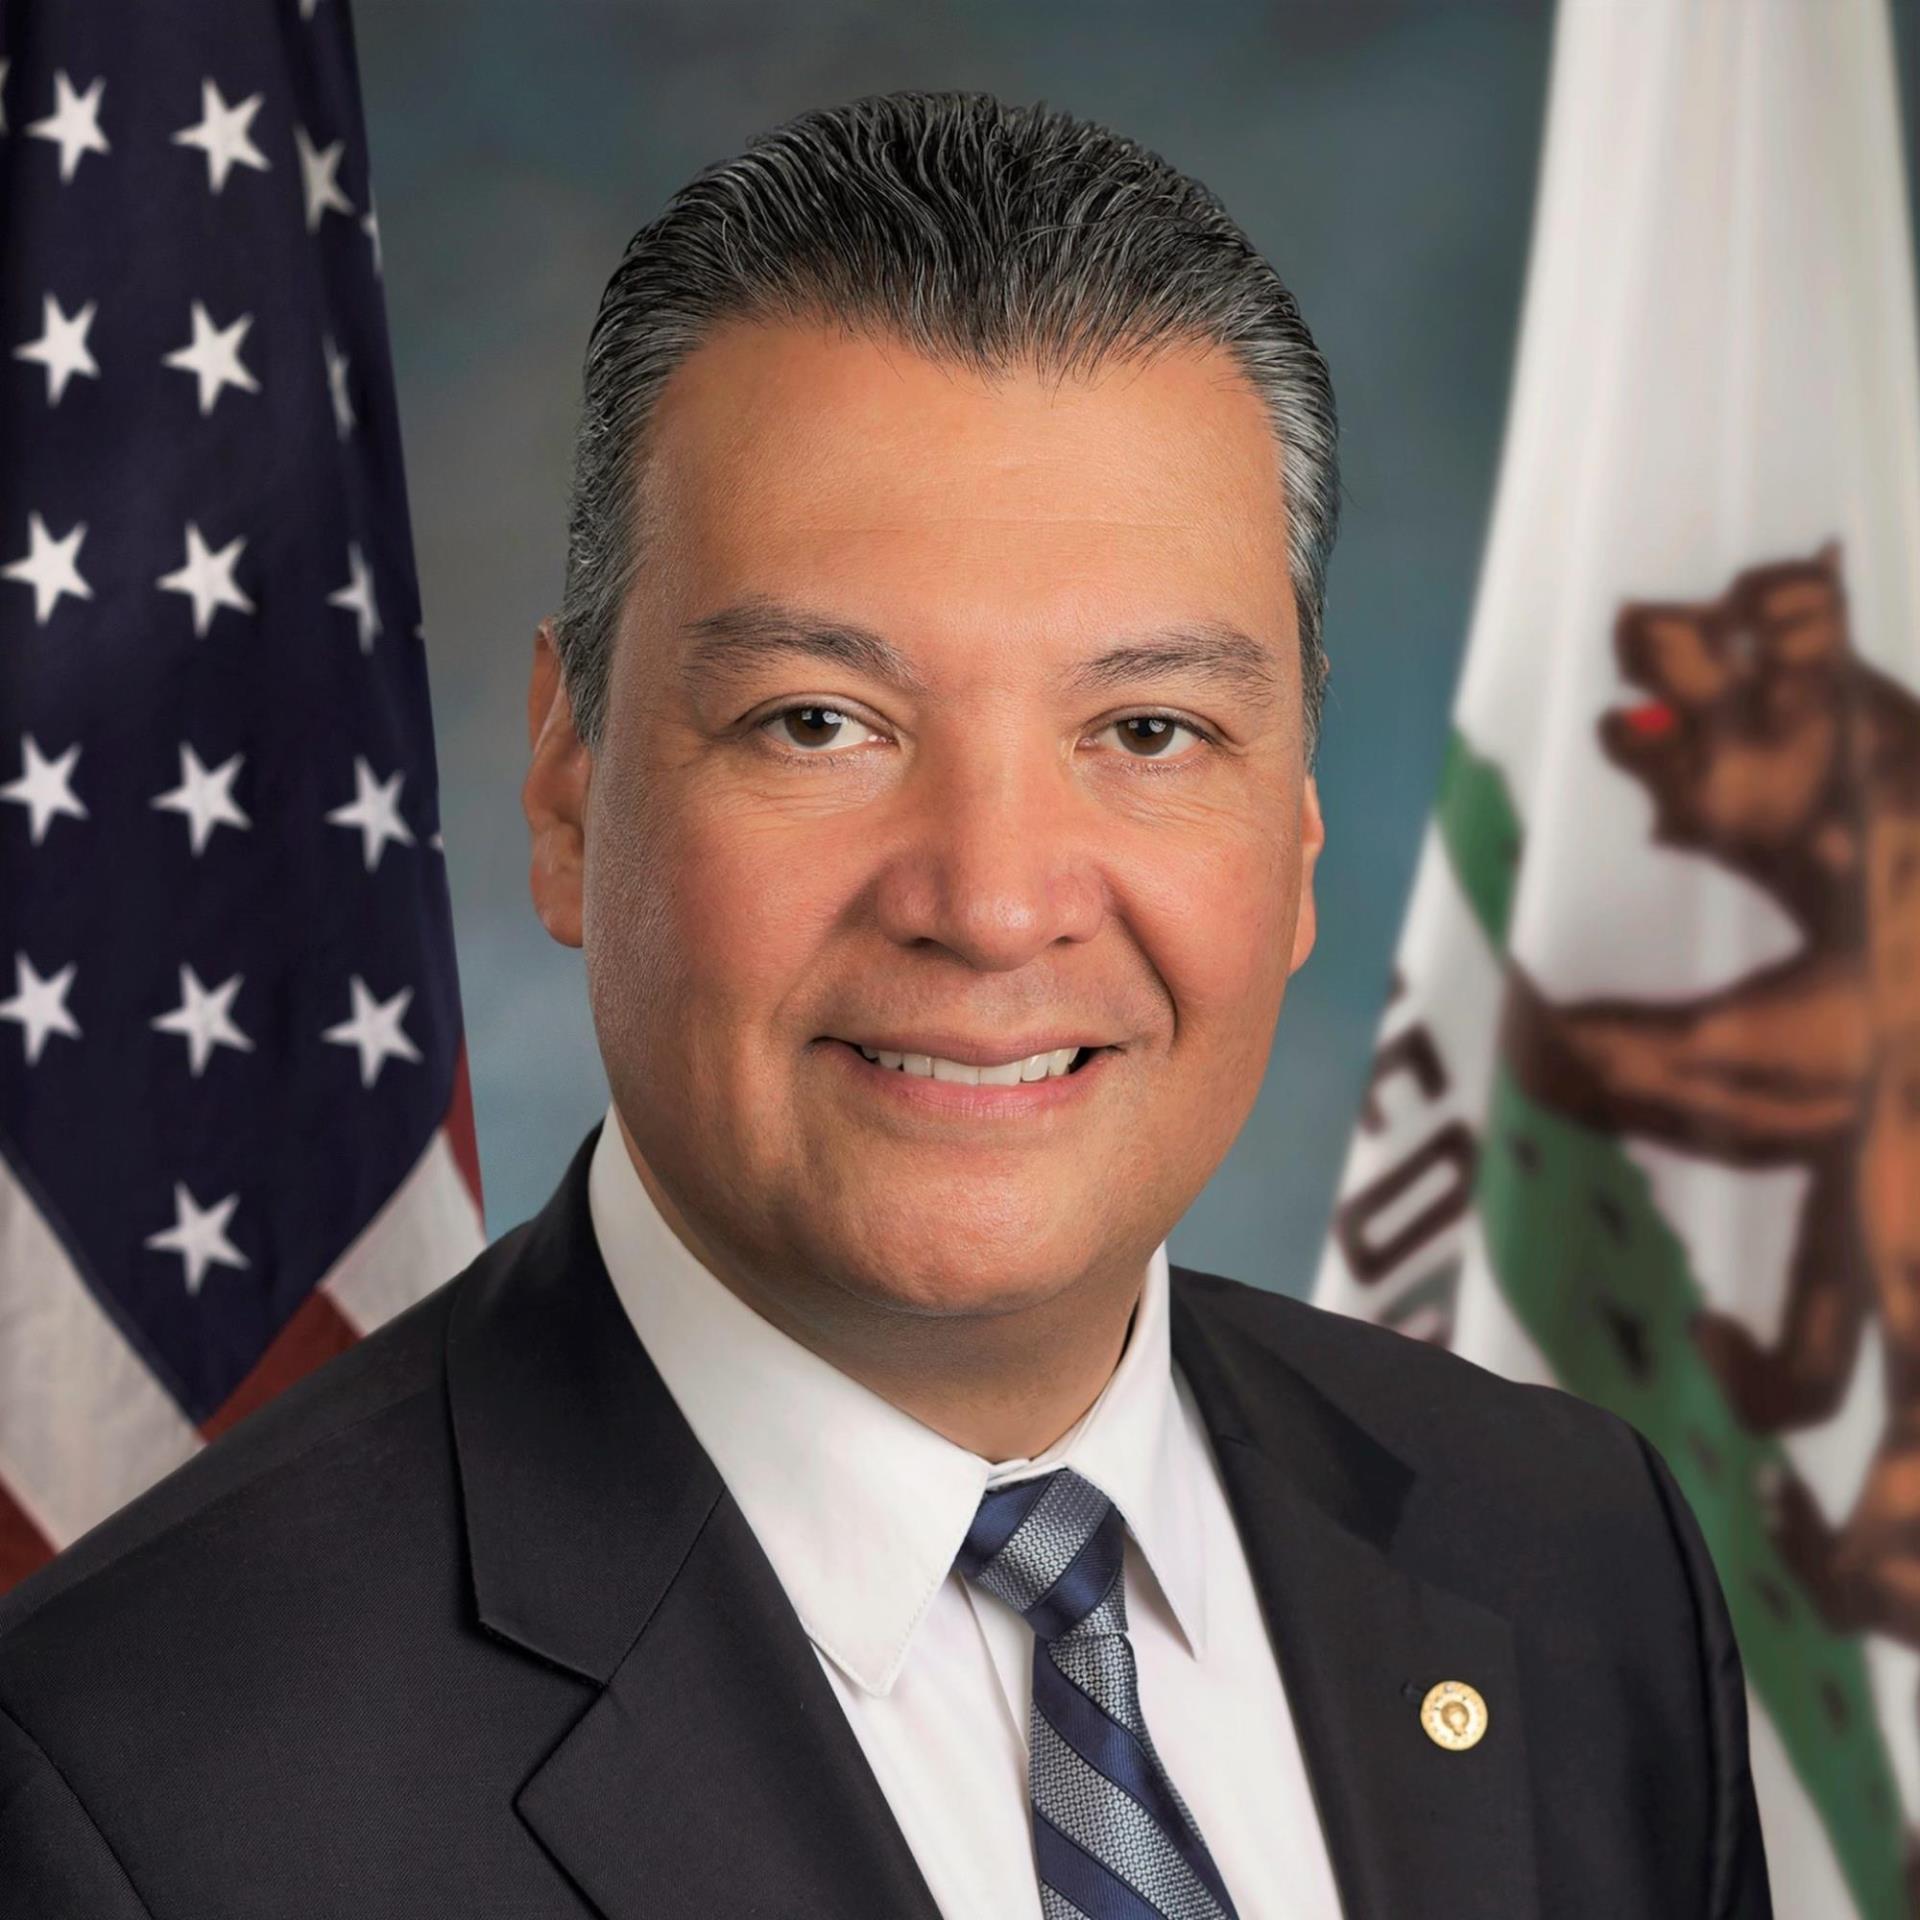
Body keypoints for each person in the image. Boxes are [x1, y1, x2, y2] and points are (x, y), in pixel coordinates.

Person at [0, 89, 1770, 1919]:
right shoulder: (132, 1796)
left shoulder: (1574, 1565)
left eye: (1149, 731)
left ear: (1303, 826)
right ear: (561, 788)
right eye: (819, 724)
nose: (993, 904)